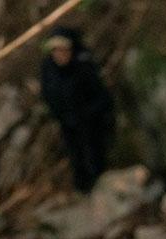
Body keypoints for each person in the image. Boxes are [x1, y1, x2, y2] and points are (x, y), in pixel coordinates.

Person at [40, 27, 115, 193]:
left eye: (63, 50)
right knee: (76, 157)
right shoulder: (49, 69)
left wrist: (89, 114)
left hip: (91, 121)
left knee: (94, 154)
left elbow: (101, 96)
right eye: (55, 50)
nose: (59, 54)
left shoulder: (84, 65)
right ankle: (83, 189)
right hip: (68, 123)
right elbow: (48, 95)